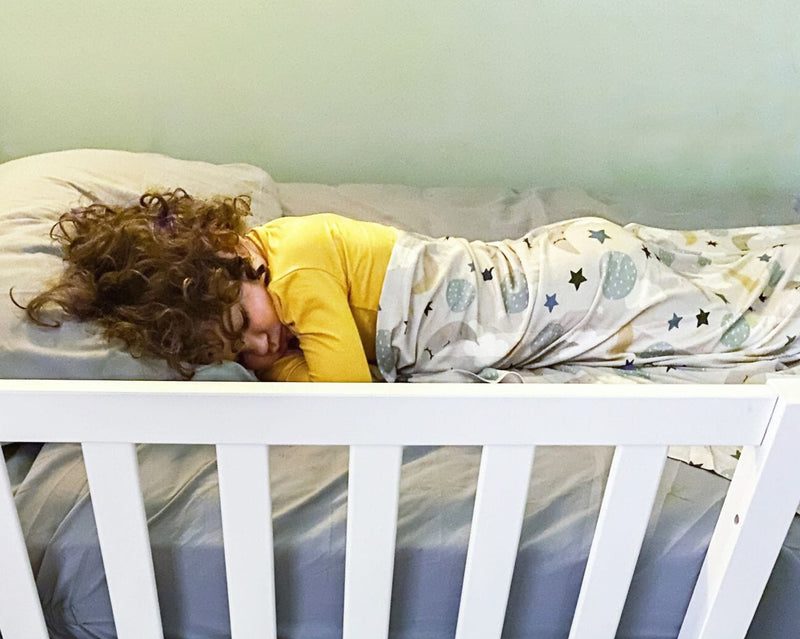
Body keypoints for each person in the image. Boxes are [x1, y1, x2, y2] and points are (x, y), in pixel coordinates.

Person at [19, 188, 800, 382]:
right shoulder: (275, 267)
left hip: (562, 286)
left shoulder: (299, 262)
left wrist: (276, 369)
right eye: (238, 352)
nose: (262, 342)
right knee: (715, 287)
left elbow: (345, 400)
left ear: (226, 254)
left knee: (732, 315)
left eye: (244, 323)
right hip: (560, 276)